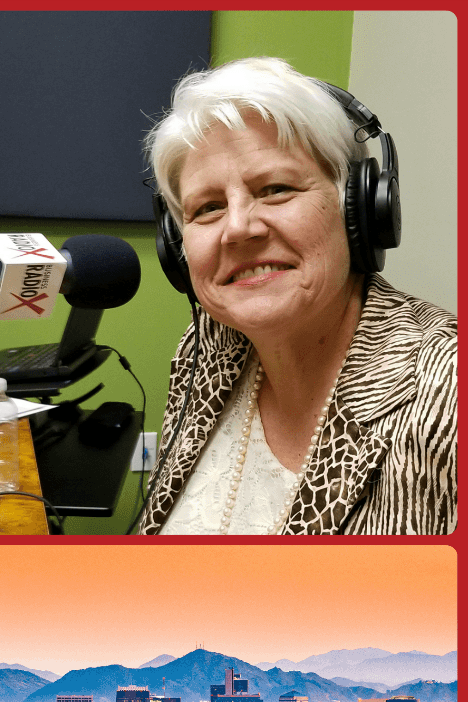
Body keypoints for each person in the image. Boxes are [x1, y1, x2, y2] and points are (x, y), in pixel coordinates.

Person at [136, 57, 456, 535]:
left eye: (275, 189)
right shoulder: (210, 343)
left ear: (360, 209)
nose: (239, 227)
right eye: (208, 208)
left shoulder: (448, 389)